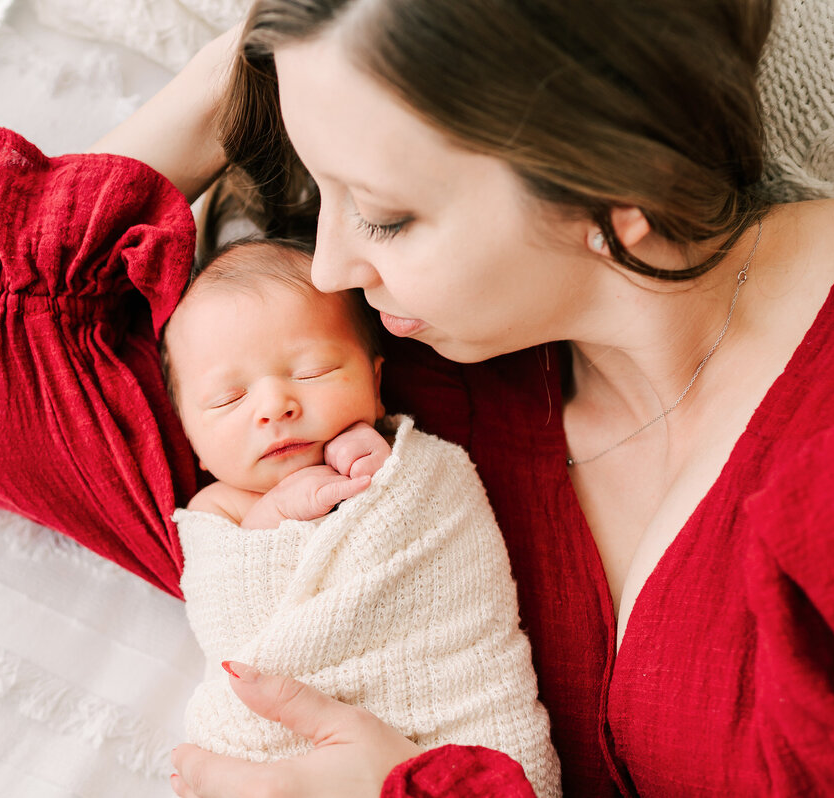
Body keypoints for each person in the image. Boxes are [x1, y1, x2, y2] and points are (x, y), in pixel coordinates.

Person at [0, 0, 834, 795]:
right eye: (322, 195)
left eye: (384, 214)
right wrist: (269, 52)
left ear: (618, 186)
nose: (326, 269)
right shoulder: (376, 416)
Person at [161, 239, 560, 795]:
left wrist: (376, 475)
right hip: (272, 748)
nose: (275, 405)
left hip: (454, 725)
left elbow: (429, 540)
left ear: (375, 382)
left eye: (314, 370)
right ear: (192, 442)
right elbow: (234, 600)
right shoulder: (217, 508)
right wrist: (281, 508)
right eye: (229, 399)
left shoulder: (414, 468)